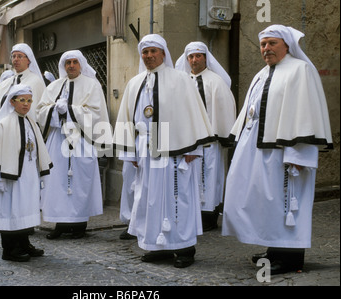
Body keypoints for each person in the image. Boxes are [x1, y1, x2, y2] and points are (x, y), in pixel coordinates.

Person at [222, 25, 333, 275]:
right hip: (262, 153)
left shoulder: (300, 70)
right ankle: (275, 250)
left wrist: (298, 155)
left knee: (286, 204)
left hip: (287, 153)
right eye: (263, 44)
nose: (266, 48)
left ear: (286, 45)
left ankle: (291, 258)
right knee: (268, 204)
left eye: (272, 43)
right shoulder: (263, 73)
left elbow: (305, 115)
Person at [113, 34, 214, 268]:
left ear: (163, 53)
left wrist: (194, 148)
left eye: (153, 51)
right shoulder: (135, 83)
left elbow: (193, 116)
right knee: (150, 197)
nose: (148, 56)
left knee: (177, 196)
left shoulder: (181, 80)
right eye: (145, 52)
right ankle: (157, 246)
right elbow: (127, 119)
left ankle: (184, 247)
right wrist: (131, 152)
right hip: (146, 147)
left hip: (175, 146)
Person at [36, 50, 112, 239]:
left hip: (81, 140)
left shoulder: (92, 85)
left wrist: (69, 109)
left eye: (74, 62)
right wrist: (55, 109)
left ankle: (79, 224)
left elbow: (96, 113)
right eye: (67, 62)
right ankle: (60, 223)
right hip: (58, 140)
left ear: (81, 64)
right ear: (63, 66)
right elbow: (40, 111)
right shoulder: (53, 87)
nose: (71, 65)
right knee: (57, 181)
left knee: (80, 182)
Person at [0, 84, 53, 262]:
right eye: (22, 100)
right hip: (10, 178)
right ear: (12, 102)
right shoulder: (4, 124)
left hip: (28, 176)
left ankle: (24, 244)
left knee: (25, 210)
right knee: (10, 211)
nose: (26, 104)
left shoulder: (31, 122)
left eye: (29, 100)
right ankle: (9, 249)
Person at [175, 41, 236, 231]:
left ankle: (208, 217)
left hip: (209, 142)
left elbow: (224, 110)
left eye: (198, 56)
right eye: (191, 57)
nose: (194, 60)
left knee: (209, 178)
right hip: (187, 141)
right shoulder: (181, 80)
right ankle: (188, 215)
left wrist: (222, 134)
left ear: (205, 58)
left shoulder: (215, 81)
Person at [0, 43, 46, 134]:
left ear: (28, 60)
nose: (16, 59)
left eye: (20, 56)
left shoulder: (36, 82)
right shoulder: (6, 83)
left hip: (26, 132)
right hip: (5, 131)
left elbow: (38, 110)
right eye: (13, 56)